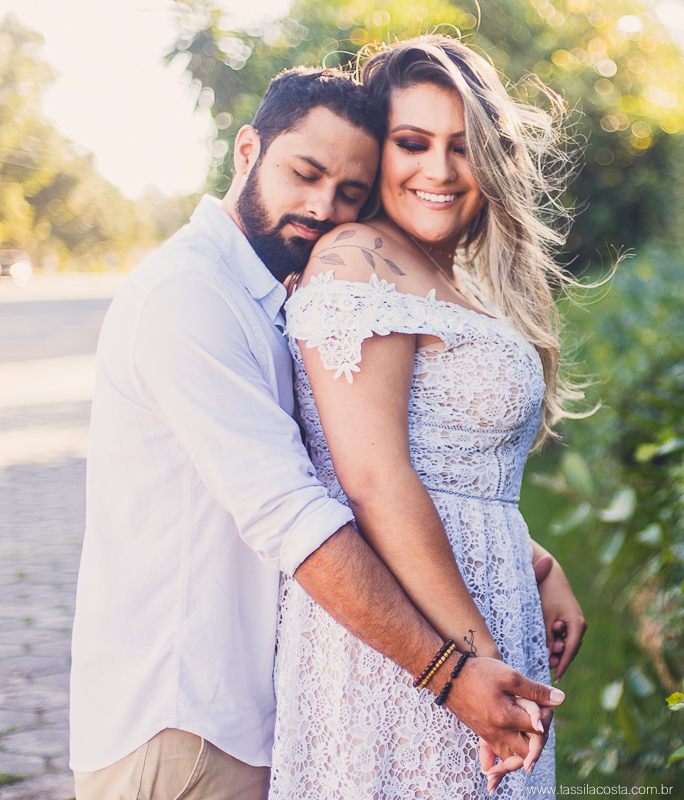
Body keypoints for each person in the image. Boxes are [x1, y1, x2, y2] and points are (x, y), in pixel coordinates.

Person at [70, 66, 569, 800]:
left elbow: (341, 457)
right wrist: (457, 669)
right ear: (248, 151)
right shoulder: (189, 297)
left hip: (254, 708)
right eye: (304, 174)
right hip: (182, 723)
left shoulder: (268, 289)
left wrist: (533, 562)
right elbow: (307, 510)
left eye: (348, 193)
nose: (322, 208)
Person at [268, 36, 586, 799]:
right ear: (378, 154)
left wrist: (536, 562)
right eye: (412, 144)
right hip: (415, 647)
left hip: (482, 617)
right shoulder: (357, 257)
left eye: (462, 147)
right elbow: (373, 478)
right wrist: (471, 660)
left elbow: (445, 465)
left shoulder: (445, 272)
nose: (439, 171)